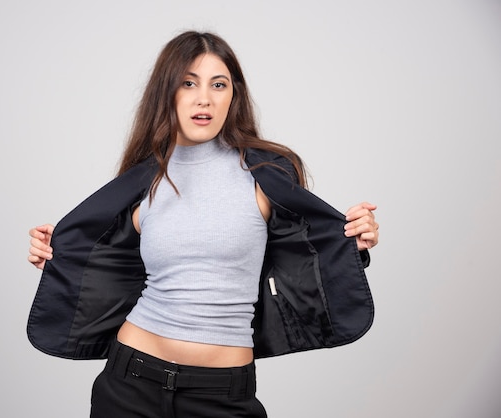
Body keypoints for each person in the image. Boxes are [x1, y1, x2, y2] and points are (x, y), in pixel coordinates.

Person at [26, 30, 379, 418]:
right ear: (167, 93)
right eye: (188, 83)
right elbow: (100, 266)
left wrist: (353, 242)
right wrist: (54, 253)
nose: (204, 98)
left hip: (222, 394)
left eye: (218, 84)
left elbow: (309, 254)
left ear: (234, 95)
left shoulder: (264, 174)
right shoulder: (143, 181)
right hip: (129, 384)